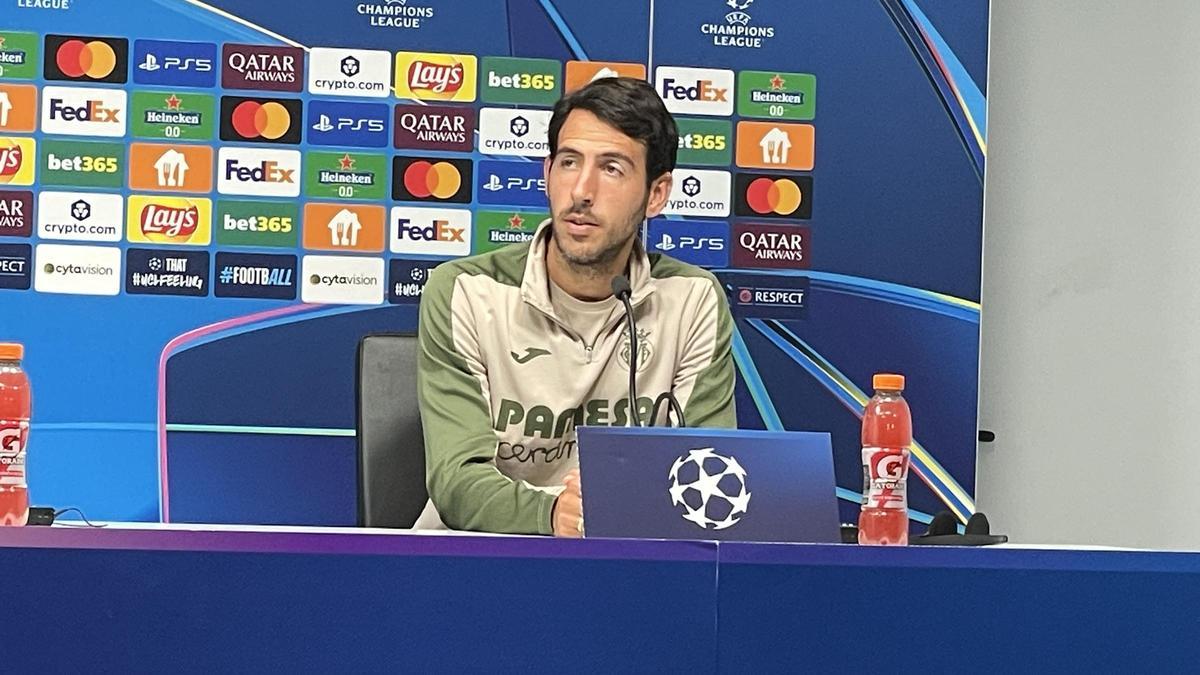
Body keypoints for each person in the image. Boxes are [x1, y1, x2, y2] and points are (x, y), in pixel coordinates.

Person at [416, 77, 736, 537]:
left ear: (656, 194)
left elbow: (710, 473)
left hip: (625, 560)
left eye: (611, 168)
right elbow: (456, 478)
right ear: (547, 174)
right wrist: (551, 516)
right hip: (479, 560)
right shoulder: (466, 290)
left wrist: (608, 515)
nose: (581, 190)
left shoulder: (692, 299)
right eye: (568, 163)